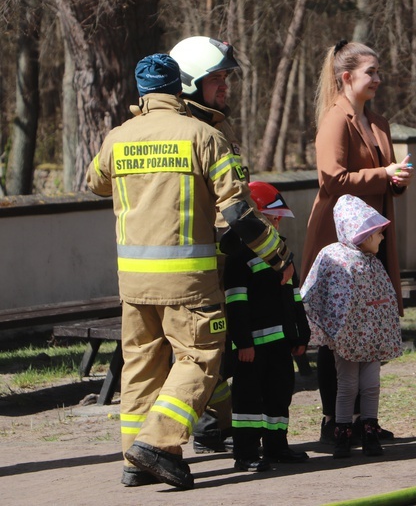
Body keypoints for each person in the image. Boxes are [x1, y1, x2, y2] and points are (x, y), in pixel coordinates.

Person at [87, 54, 294, 489]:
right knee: (198, 359)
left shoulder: (117, 138)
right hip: (189, 280)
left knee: (141, 366)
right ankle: (157, 444)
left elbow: (96, 182)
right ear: (181, 89)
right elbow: (239, 212)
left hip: (133, 282)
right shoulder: (204, 136)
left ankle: (133, 462)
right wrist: (278, 255)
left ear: (141, 94)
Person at [301, 40, 413, 444]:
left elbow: (383, 175)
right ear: (346, 77)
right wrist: (384, 174)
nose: (378, 79)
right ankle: (335, 419)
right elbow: (331, 178)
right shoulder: (335, 120)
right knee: (338, 331)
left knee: (367, 324)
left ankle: (364, 418)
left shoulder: (378, 121)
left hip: (373, 239)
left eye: (379, 72)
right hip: (339, 240)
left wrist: (396, 180)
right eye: (371, 73)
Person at [169, 35, 243, 455]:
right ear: (192, 82)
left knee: (218, 353)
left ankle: (216, 427)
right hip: (194, 268)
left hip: (219, 261)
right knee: (200, 355)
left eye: (226, 79)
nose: (225, 88)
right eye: (217, 79)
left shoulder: (216, 123)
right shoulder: (192, 131)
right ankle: (210, 426)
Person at [301, 194, 404, 458]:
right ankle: (342, 434)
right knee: (347, 386)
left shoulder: (373, 264)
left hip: (372, 340)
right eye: (378, 233)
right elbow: (312, 292)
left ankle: (369, 432)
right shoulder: (333, 256)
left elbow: (385, 301)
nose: (382, 238)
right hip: (346, 341)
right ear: (363, 233)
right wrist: (328, 328)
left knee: (370, 385)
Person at [222, 182, 310, 472]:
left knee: (279, 394)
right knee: (248, 400)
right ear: (253, 219)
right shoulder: (239, 258)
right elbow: (236, 304)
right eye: (273, 217)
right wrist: (243, 342)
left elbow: (293, 296)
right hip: (251, 349)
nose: (278, 221)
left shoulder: (281, 254)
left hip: (280, 344)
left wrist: (300, 333)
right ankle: (245, 452)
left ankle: (277, 446)